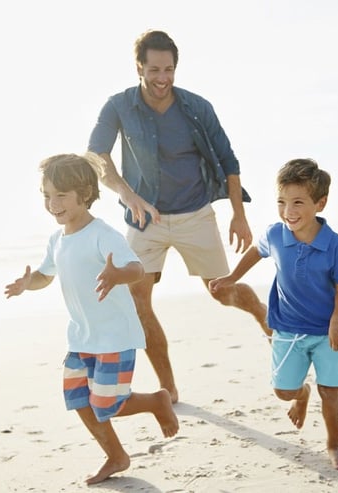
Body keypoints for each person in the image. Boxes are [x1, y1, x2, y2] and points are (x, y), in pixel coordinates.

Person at [87, 29, 268, 404]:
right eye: (154, 69)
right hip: (144, 221)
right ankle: (170, 388)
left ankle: (263, 315)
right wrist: (128, 195)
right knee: (139, 305)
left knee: (223, 292)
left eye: (169, 69)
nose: (162, 78)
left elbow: (229, 161)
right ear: (139, 67)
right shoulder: (118, 106)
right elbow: (96, 157)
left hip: (195, 214)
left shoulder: (196, 106)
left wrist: (238, 214)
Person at [4, 152, 179, 485]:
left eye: (60, 195)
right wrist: (29, 284)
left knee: (106, 404)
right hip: (82, 337)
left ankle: (157, 401)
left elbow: (136, 268)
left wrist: (116, 275)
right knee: (78, 398)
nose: (52, 204)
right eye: (46, 196)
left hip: (115, 335)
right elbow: (45, 274)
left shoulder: (103, 234)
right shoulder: (57, 240)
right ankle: (116, 455)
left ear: (84, 194)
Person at [210, 158, 338, 470]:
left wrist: (337, 323)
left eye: (298, 202)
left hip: (327, 332)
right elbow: (255, 251)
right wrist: (232, 278)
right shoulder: (276, 235)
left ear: (320, 203)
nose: (288, 211)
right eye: (282, 202)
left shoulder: (335, 246)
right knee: (283, 390)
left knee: (331, 389)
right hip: (287, 329)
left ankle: (335, 446)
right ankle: (301, 394)